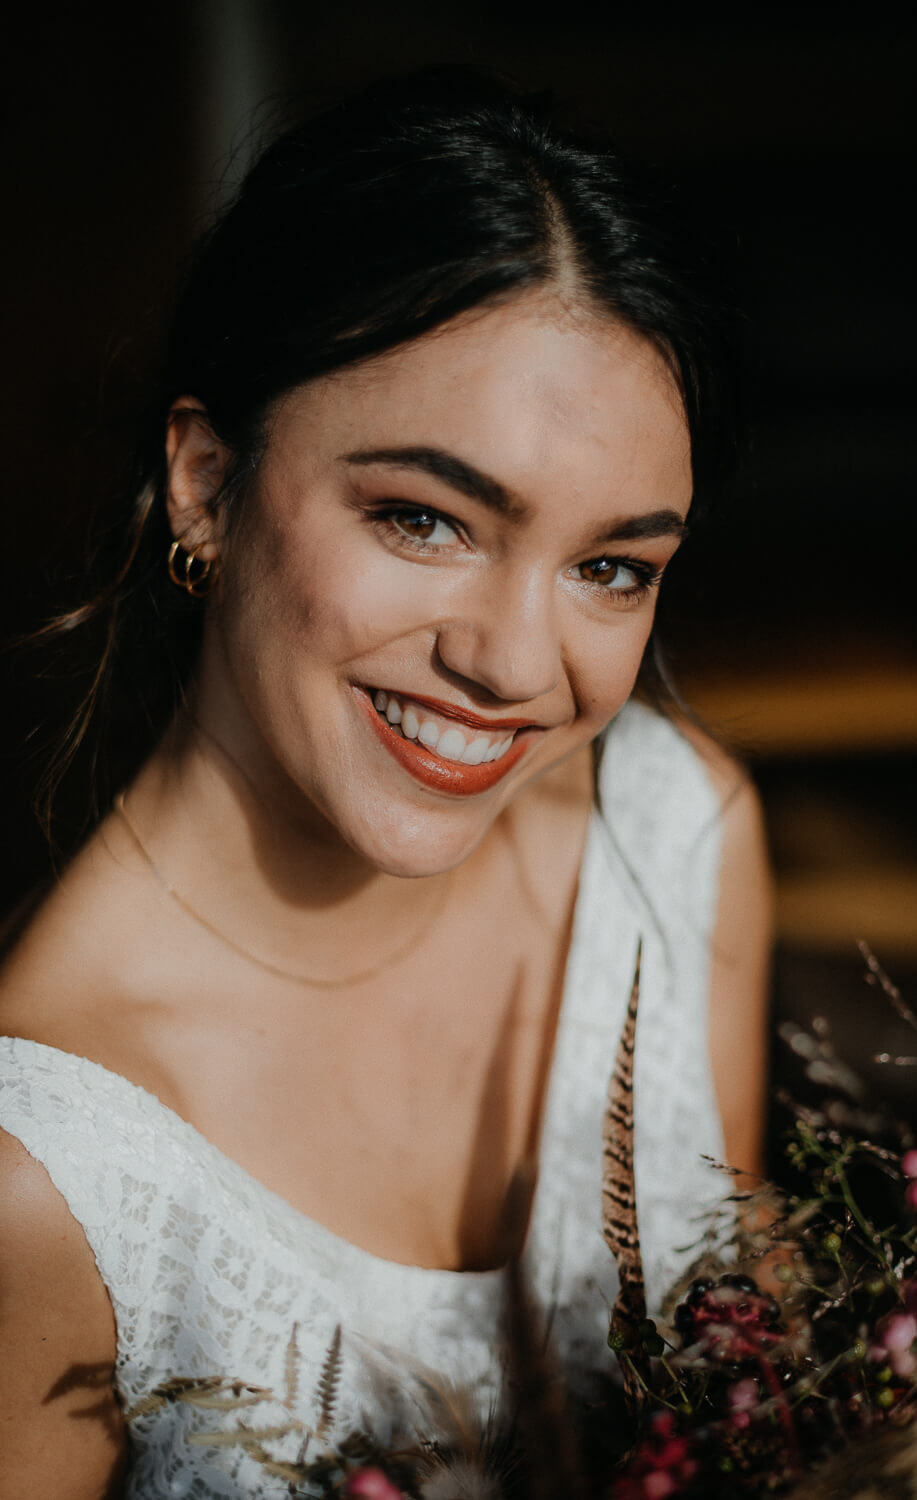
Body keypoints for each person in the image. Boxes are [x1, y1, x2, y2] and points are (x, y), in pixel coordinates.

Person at [0, 70, 770, 1498]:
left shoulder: (669, 836)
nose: (513, 663)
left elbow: (747, 1386)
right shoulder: (38, 1186)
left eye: (612, 567)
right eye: (425, 518)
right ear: (205, 482)